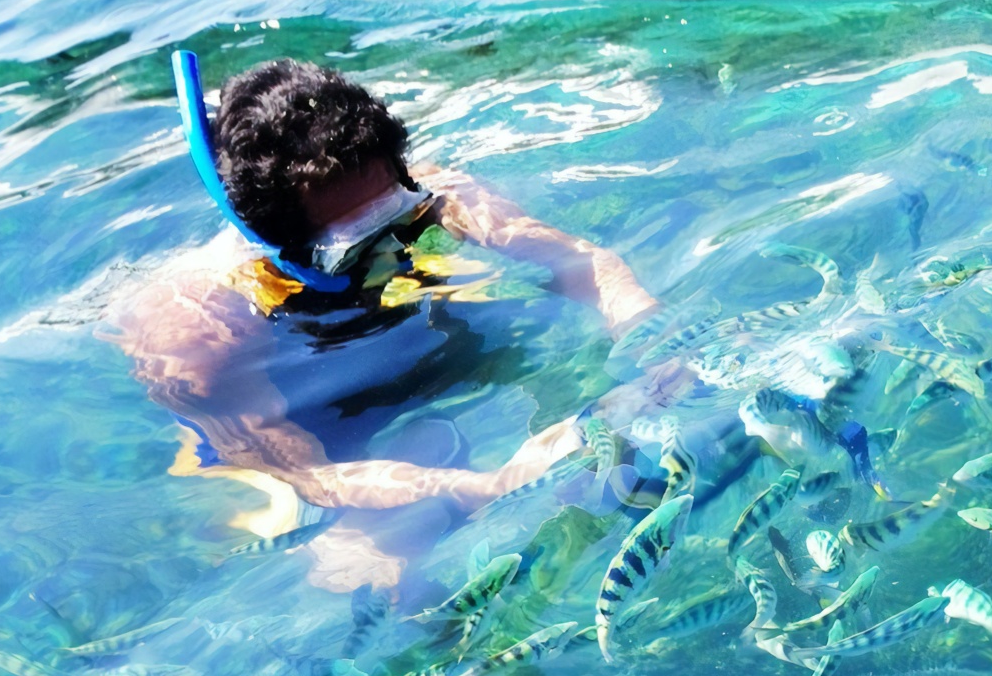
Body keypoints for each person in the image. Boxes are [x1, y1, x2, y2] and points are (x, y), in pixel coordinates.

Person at [110, 56, 668, 593]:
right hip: (304, 429)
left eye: (397, 211)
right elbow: (309, 475)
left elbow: (583, 264)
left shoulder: (431, 193)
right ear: (273, 239)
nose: (390, 243)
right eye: (356, 243)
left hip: (419, 360)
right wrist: (482, 488)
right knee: (372, 578)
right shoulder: (199, 333)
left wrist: (656, 342)